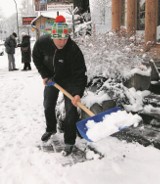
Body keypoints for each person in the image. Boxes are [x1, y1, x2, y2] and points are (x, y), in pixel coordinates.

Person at [32, 15, 87, 156]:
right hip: (51, 78)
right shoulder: (43, 42)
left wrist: (77, 93)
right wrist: (44, 74)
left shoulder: (73, 49)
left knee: (71, 110)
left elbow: (80, 73)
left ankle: (69, 141)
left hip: (69, 80)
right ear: (52, 37)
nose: (63, 42)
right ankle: (50, 129)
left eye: (65, 38)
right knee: (48, 104)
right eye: (59, 38)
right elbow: (36, 57)